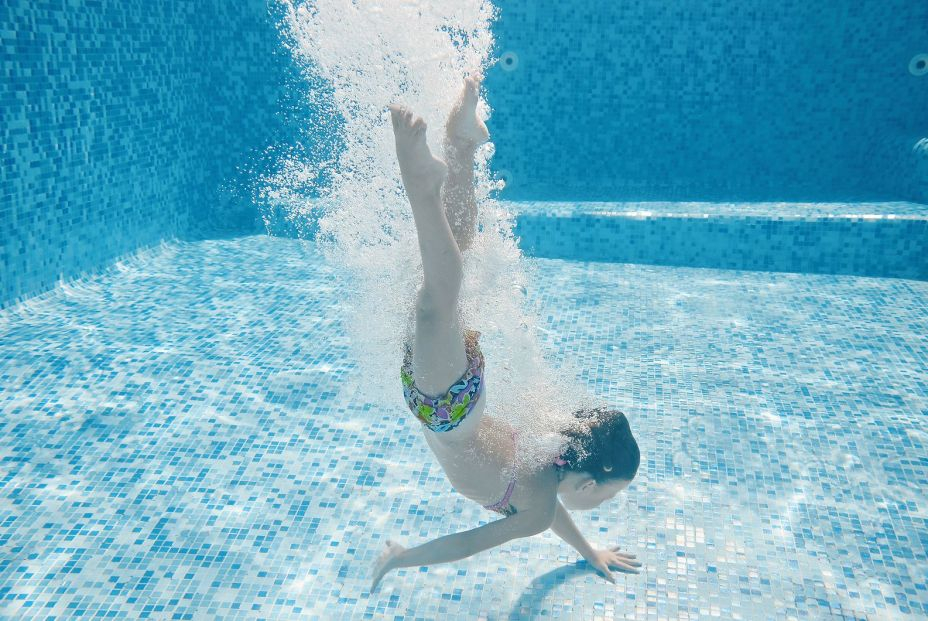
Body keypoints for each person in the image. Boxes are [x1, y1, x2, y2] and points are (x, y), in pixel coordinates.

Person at [372, 76, 641, 590]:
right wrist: (401, 558)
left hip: (463, 393)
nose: (597, 506)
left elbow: (546, 512)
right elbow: (466, 544)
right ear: (587, 481)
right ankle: (423, 187)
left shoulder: (546, 475)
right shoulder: (539, 501)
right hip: (446, 410)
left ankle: (461, 145)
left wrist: (589, 551)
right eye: (605, 498)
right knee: (436, 298)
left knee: (454, 273)